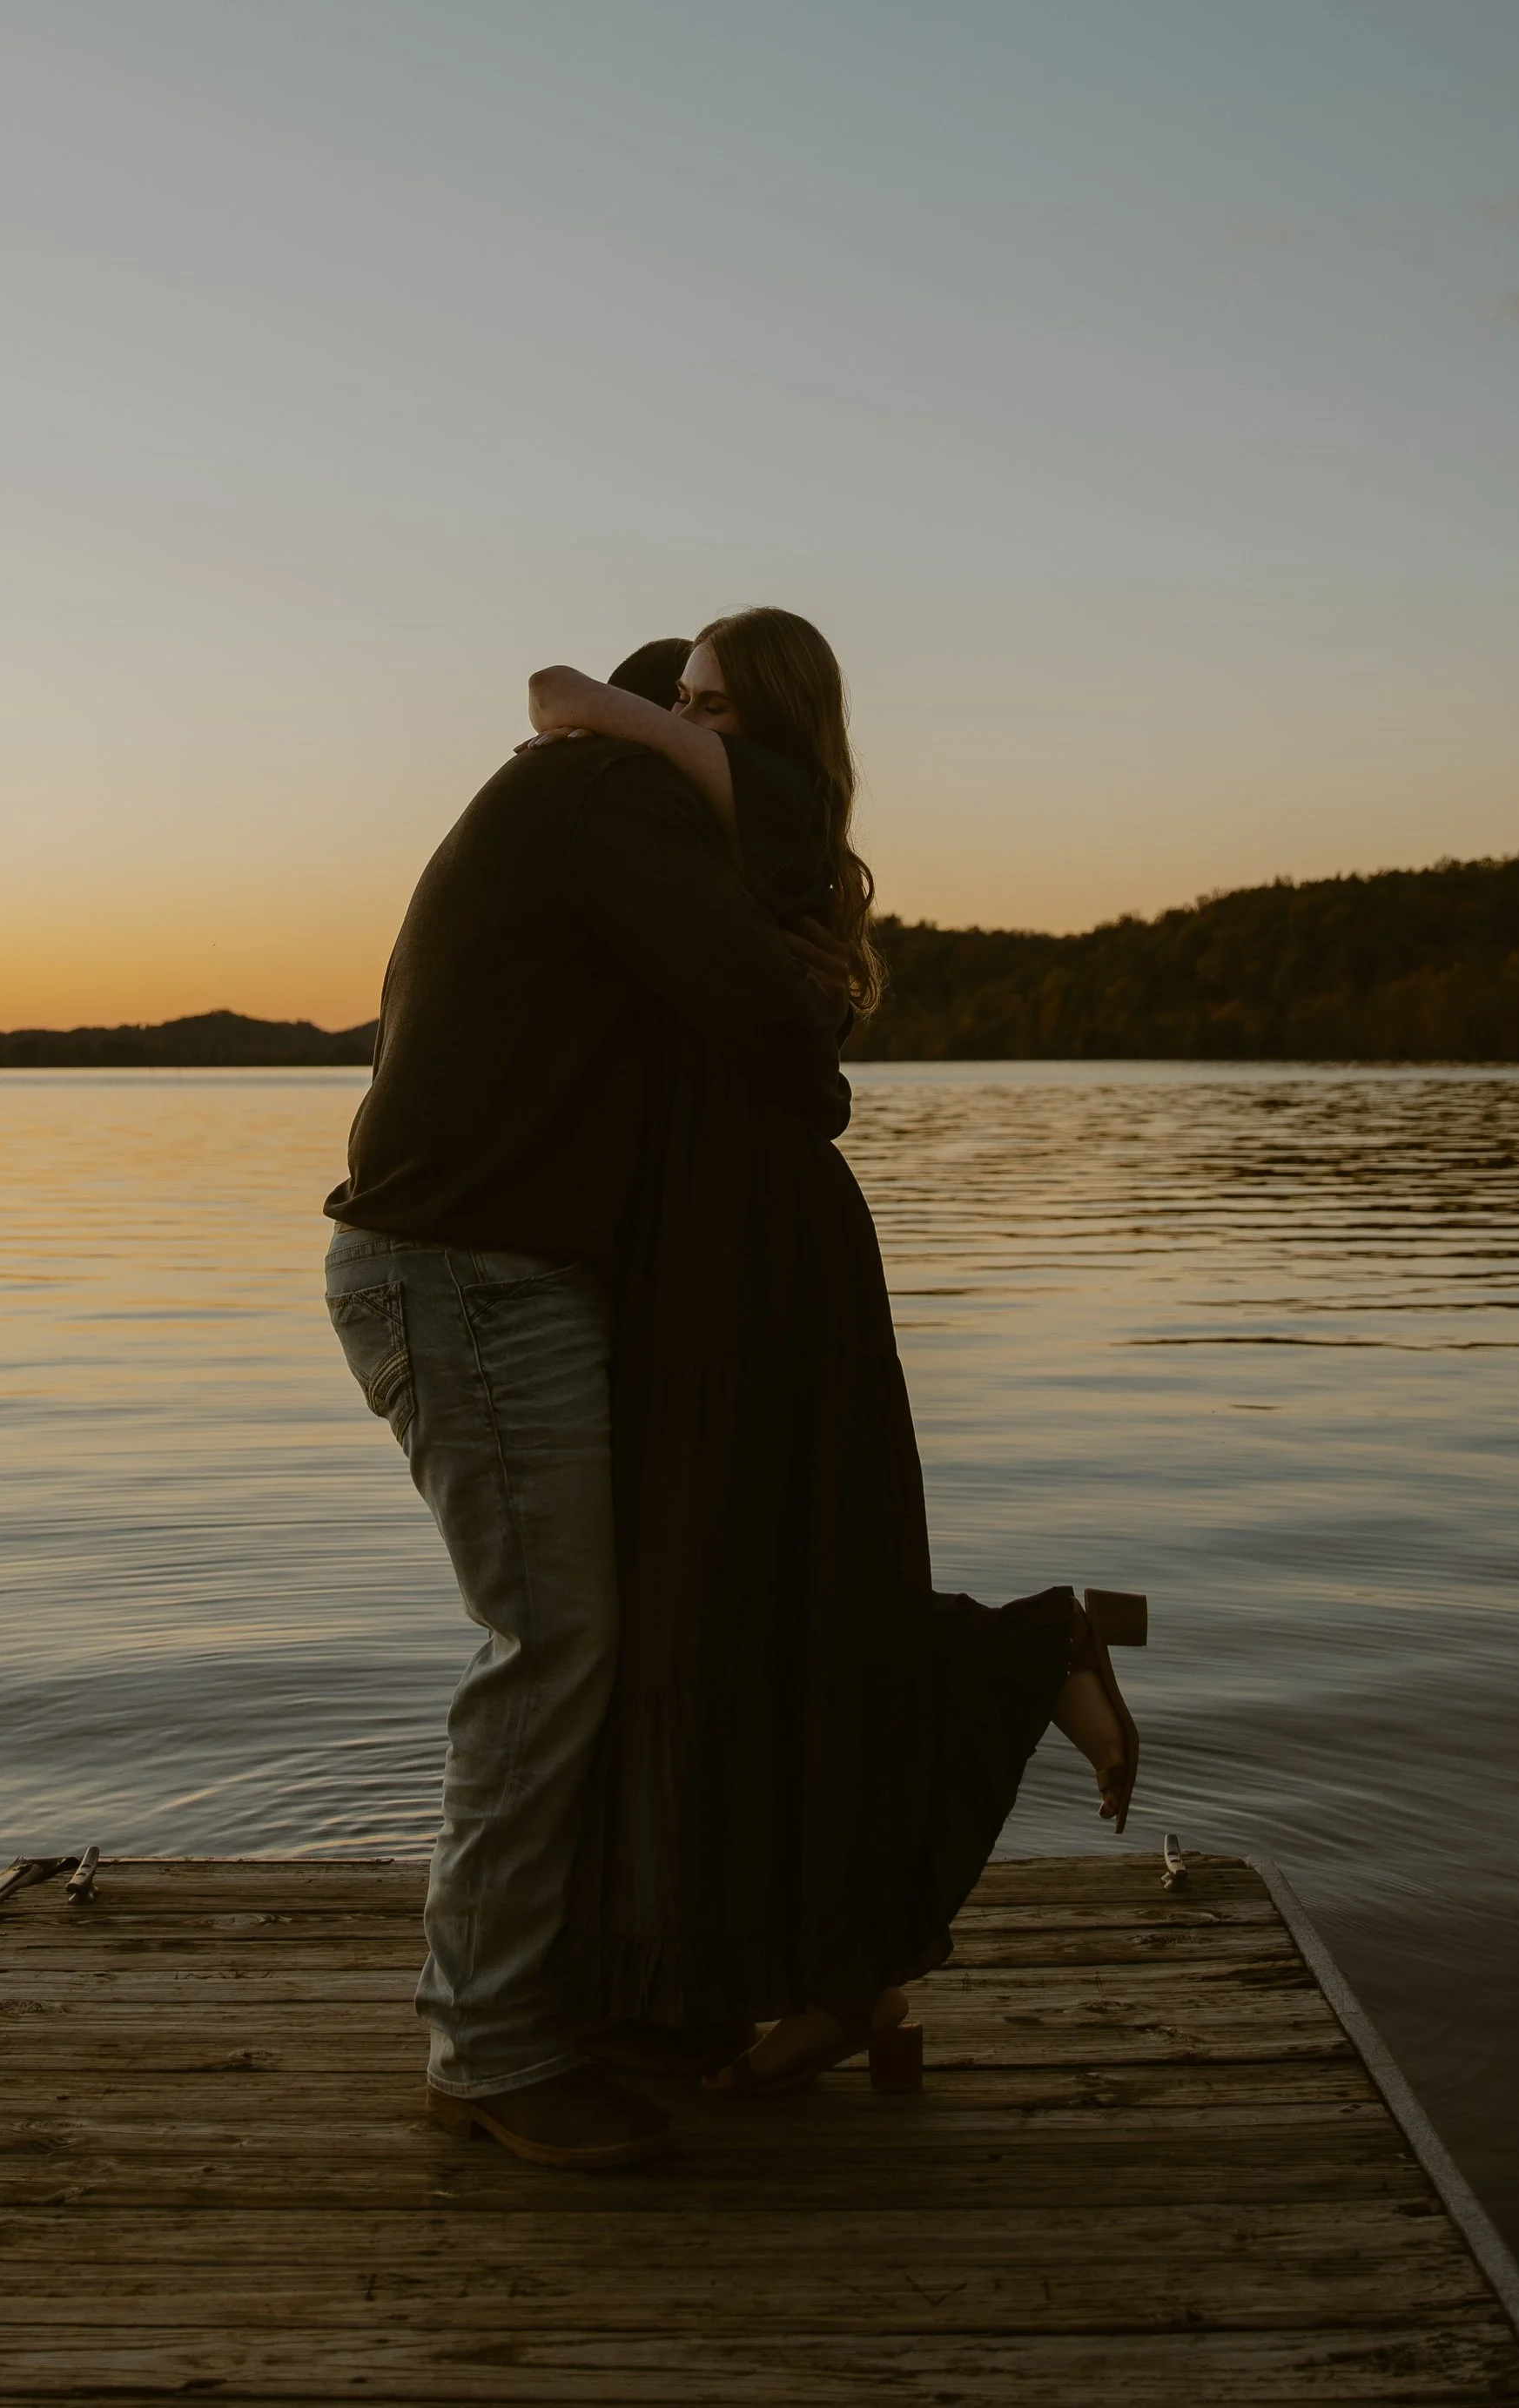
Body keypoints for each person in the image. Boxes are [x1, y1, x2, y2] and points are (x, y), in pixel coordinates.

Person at [529, 610, 1143, 2092]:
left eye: (717, 702)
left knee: (758, 1603)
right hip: (718, 1248)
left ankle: (1028, 1664)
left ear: (781, 723)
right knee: (772, 1608)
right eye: (686, 700)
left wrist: (644, 725)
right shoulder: (726, 845)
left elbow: (558, 696)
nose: (690, 722)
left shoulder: (768, 805)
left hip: (757, 1257)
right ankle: (847, 1977)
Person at [322, 669, 851, 2168]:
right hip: (467, 1274)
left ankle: (587, 1990)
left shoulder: (589, 810)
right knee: (550, 1645)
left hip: (489, 1271)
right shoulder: (611, 793)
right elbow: (777, 1035)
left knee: (588, 1641)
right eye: (700, 716)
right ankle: (486, 2044)